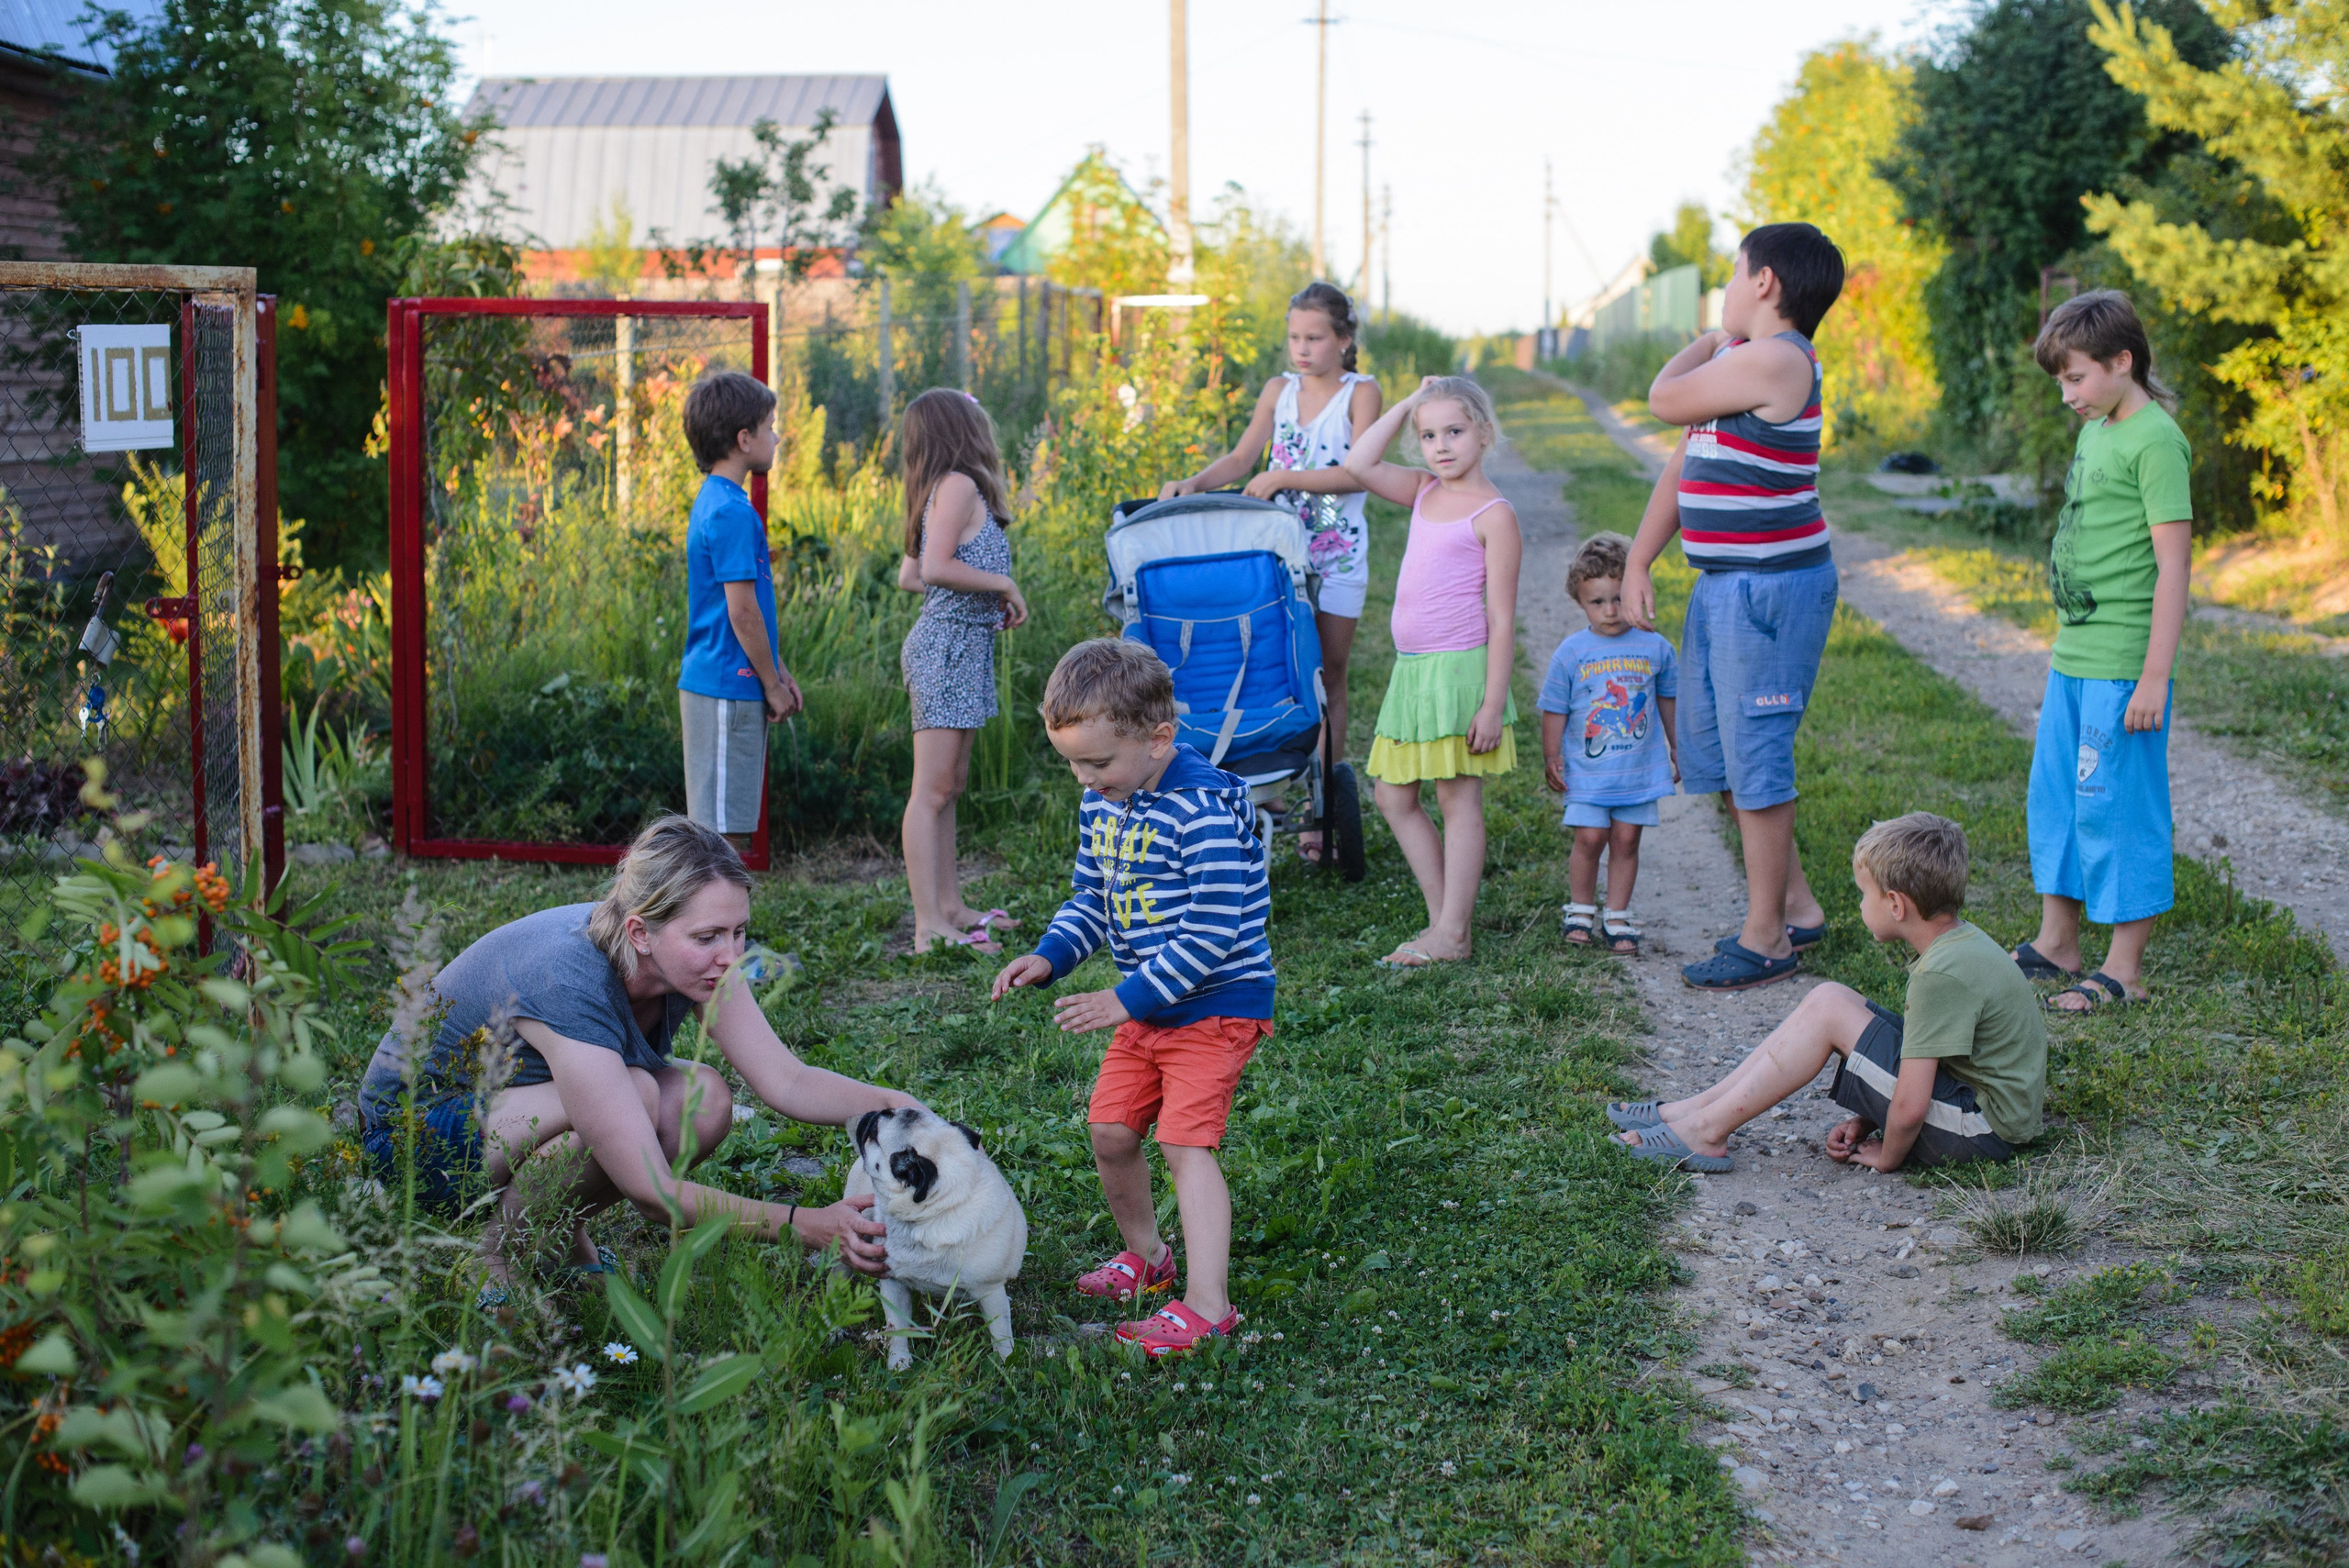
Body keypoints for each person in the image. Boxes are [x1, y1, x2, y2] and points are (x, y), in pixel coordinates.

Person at [356, 816, 912, 1296]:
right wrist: (803, 1224)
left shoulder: (698, 960)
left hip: (507, 1116)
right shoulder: (567, 977)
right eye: (708, 937)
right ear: (640, 932)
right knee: (640, 1093)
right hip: (412, 1140)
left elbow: (787, 1081)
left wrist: (898, 1104)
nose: (730, 956)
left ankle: (555, 1233)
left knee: (704, 1100)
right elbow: (651, 1194)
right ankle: (492, 1256)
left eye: (739, 932)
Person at [988, 639, 1275, 1357]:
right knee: (1111, 1132)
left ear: (1158, 738)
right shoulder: (1106, 805)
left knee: (1184, 1140)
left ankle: (1207, 1304)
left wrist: (1126, 997)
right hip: (1147, 1004)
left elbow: (1214, 926)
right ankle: (1149, 1256)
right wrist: (1050, 956)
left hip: (1216, 1002)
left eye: (1098, 763)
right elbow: (1092, 896)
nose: (1086, 780)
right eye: (1074, 765)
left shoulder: (1200, 809)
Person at [1620, 223, 1847, 993]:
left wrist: (1710, 337)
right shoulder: (1741, 368)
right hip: (1727, 584)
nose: (1724, 288)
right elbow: (1681, 463)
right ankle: (1798, 907)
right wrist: (1638, 557)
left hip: (1770, 592)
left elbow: (1660, 398)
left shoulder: (1777, 360)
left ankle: (1767, 936)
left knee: (1756, 756)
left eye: (1732, 274)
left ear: (1765, 283)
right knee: (1717, 754)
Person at [1609, 813, 2045, 1173]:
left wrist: (1887, 1155)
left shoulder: (1940, 976)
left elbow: (1912, 1106)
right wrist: (1870, 1119)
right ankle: (1693, 1112)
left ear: (1896, 905)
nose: (1859, 906)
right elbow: (1937, 1061)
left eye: (1864, 895)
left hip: (1982, 1131)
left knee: (1831, 1015)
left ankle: (1705, 1132)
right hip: (1974, 1106)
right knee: (1829, 997)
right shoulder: (1959, 945)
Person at [2009, 291, 2191, 1012]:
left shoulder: (2156, 440)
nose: (2066, 396)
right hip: (2074, 657)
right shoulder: (2100, 426)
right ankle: (2058, 941)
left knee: (2117, 806)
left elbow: (2173, 566)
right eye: (2060, 381)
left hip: (2123, 664)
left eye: (2076, 378)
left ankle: (2125, 966)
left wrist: (2154, 675)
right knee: (2057, 798)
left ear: (2123, 362)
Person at [1158, 282, 1383, 860]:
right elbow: (1241, 457)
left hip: (1337, 556)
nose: (1302, 349)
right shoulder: (1279, 391)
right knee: (1273, 663)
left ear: (1344, 339)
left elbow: (1359, 471)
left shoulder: (1361, 394)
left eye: (1315, 338)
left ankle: (1321, 803)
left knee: (1327, 674)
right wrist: (1192, 485)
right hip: (1278, 559)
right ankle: (1272, 779)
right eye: (1294, 337)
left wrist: (1287, 479)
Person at [1340, 374, 1521, 969]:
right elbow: (1360, 461)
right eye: (1427, 434)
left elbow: (1500, 616)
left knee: (1456, 797)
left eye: (1454, 431)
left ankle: (1450, 931)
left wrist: (1492, 703)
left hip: (1460, 673)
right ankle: (1449, 920)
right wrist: (1406, 403)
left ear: (1483, 433)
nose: (1440, 445)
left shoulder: (1494, 515)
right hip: (1412, 673)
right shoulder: (1421, 489)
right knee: (1393, 795)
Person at [894, 388, 1030, 954]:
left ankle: (951, 907)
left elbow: (912, 576)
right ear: (965, 428)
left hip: (964, 644)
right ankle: (930, 926)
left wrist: (977, 601)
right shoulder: (958, 485)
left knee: (950, 786)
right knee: (930, 792)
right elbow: (933, 567)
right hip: (945, 648)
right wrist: (999, 584)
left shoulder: (945, 489)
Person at [679, 372, 803, 850]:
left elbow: (749, 615)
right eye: (770, 427)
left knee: (721, 831)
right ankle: (715, 926)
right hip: (728, 689)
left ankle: (719, 927)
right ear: (744, 439)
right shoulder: (731, 511)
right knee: (720, 839)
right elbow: (743, 612)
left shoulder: (719, 499)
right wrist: (770, 685)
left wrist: (780, 671)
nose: (777, 437)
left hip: (730, 684)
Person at [1539, 532, 1679, 955]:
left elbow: (1668, 699)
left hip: (1636, 769)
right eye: (1597, 602)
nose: (1611, 611)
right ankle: (1580, 908)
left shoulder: (1655, 647)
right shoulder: (1571, 652)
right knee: (1589, 838)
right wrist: (1552, 755)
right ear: (1580, 602)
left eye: (1618, 598)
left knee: (1626, 840)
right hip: (1588, 771)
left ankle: (1617, 914)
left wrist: (1677, 746)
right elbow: (1554, 707)